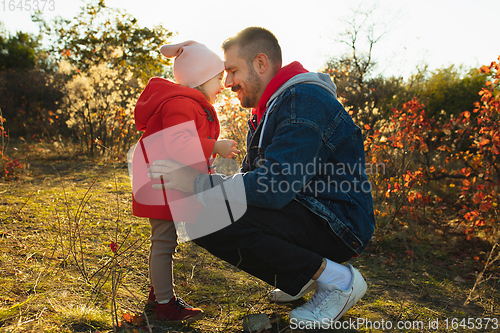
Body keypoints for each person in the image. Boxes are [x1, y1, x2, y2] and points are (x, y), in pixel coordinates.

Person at [148, 27, 376, 326]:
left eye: (232, 71)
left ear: (260, 63)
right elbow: (253, 177)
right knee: (208, 208)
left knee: (203, 217)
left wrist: (196, 184)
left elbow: (273, 186)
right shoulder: (270, 108)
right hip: (310, 210)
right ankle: (306, 276)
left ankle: (338, 281)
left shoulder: (303, 100)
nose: (227, 82)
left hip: (339, 223)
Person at [131, 40, 239, 323]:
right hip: (160, 182)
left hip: (166, 180)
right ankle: (165, 306)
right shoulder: (180, 103)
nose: (223, 84)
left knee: (166, 240)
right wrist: (214, 147)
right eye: (218, 78)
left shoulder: (188, 102)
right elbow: (179, 145)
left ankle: (159, 296)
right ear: (201, 79)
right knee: (164, 240)